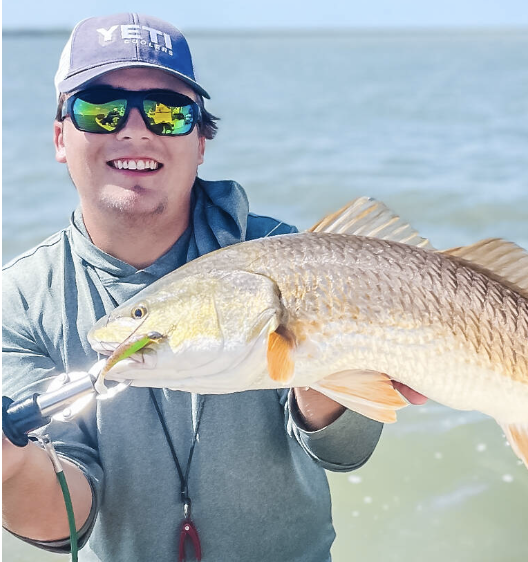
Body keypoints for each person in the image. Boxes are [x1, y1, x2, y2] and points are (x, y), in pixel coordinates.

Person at [2, 13, 425, 561]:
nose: (135, 129)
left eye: (168, 111)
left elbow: (345, 452)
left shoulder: (285, 255)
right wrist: (10, 467)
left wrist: (324, 358)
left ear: (201, 141)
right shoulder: (18, 302)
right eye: (100, 109)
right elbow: (64, 522)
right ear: (61, 137)